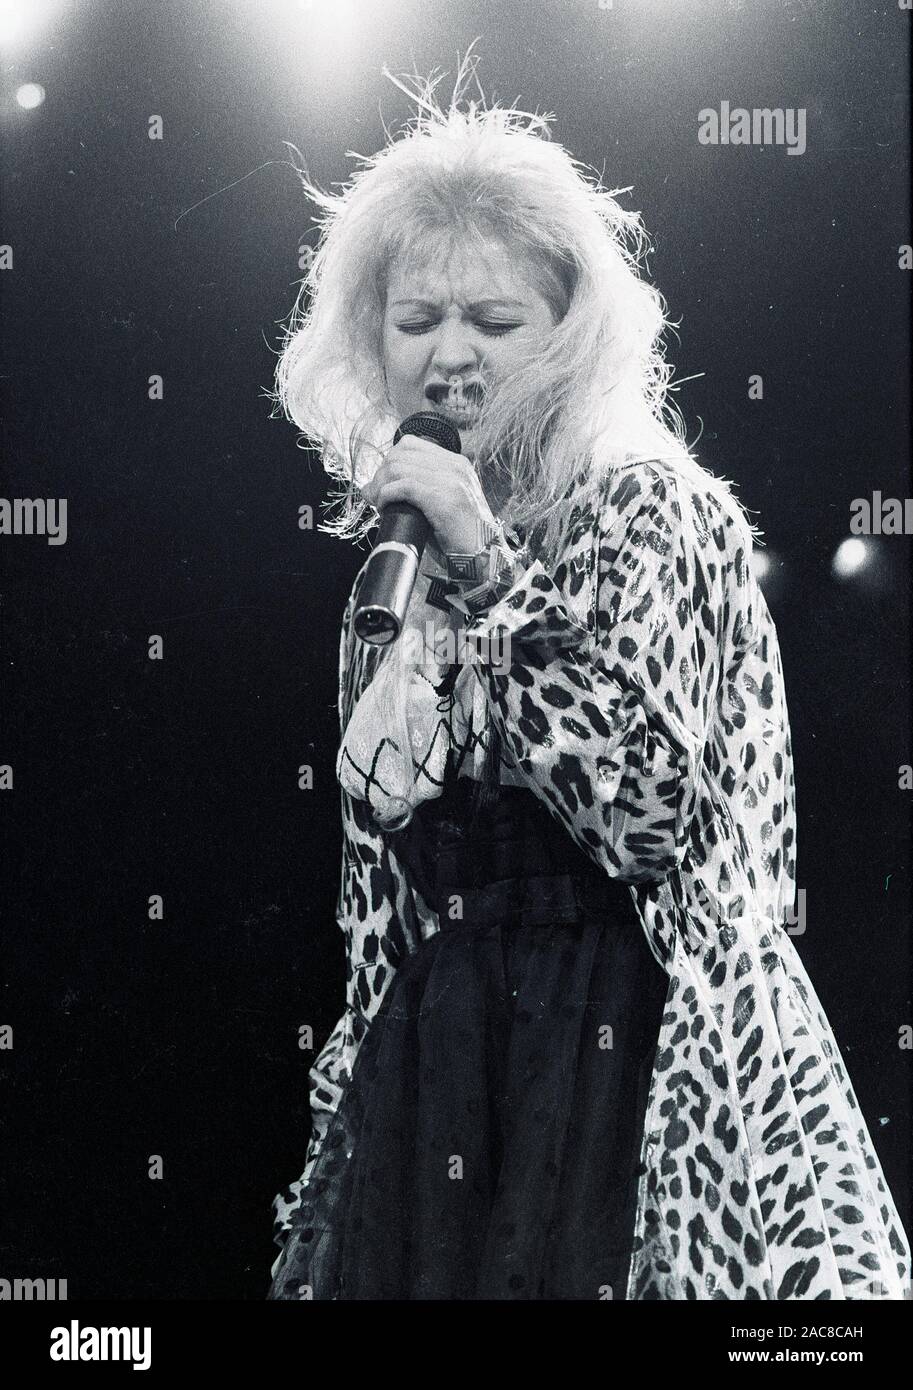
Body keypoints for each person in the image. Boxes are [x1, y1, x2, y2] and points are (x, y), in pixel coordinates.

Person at [267, 67, 910, 1300]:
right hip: (445, 1062)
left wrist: (491, 570)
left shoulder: (646, 506)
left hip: (630, 1045)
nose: (449, 355)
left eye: (493, 323)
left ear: (567, 335)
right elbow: (374, 905)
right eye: (416, 320)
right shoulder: (392, 570)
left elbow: (646, 812)